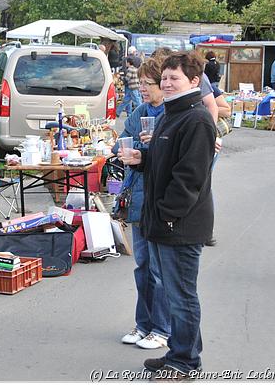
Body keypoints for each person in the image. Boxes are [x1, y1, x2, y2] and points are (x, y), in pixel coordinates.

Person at [119, 51, 216, 380]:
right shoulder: (170, 116)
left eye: (174, 78)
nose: (167, 83)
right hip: (163, 222)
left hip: (180, 225)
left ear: (193, 81)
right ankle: (181, 352)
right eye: (165, 78)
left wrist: (167, 216)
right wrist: (141, 159)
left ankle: (186, 362)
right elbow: (163, 164)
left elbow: (189, 178)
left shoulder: (197, 119)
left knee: (181, 294)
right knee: (175, 295)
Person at [112, 57, 170, 352]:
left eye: (149, 84)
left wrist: (151, 143)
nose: (143, 88)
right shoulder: (140, 111)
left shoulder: (172, 114)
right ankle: (144, 324)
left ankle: (162, 329)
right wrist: (137, 142)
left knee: (159, 269)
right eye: (142, 83)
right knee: (143, 266)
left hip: (160, 199)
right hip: (137, 195)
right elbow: (118, 144)